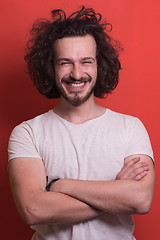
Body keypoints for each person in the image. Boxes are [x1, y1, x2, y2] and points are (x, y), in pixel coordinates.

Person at [8, 6, 155, 240]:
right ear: (51, 66)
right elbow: (33, 209)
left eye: (86, 61)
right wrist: (115, 192)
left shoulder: (130, 127)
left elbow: (140, 199)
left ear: (99, 64)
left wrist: (61, 185)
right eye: (65, 62)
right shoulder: (27, 133)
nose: (77, 74)